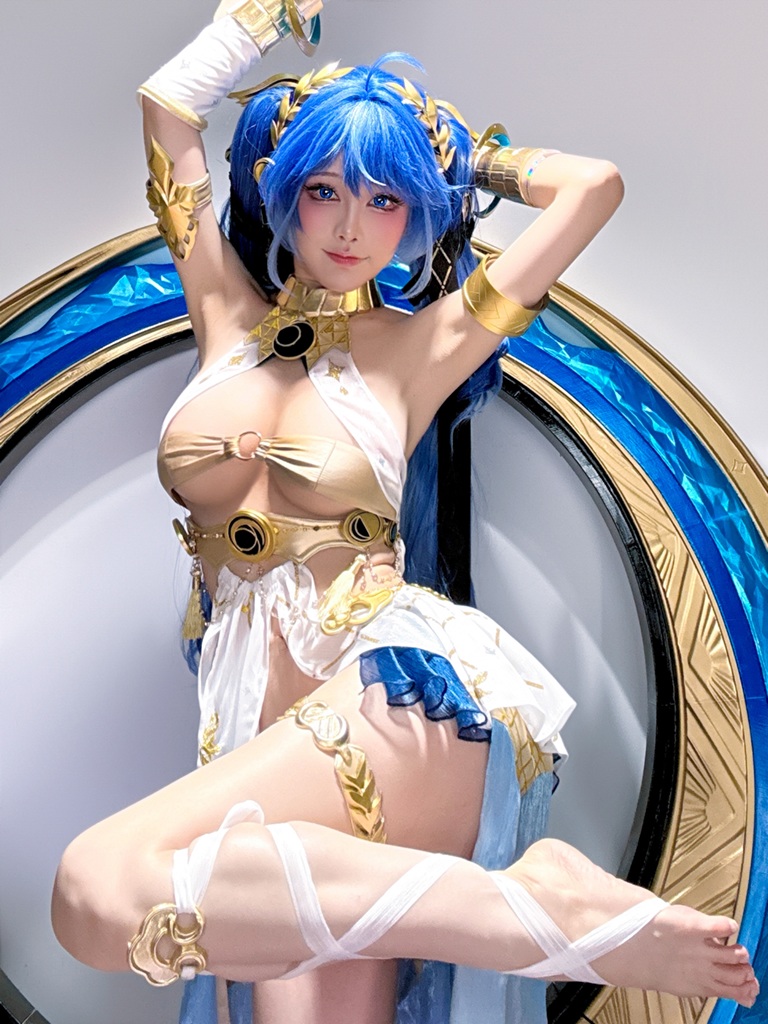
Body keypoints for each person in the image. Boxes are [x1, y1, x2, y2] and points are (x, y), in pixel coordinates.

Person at [51, 2, 758, 1022]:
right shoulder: (223, 316)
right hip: (262, 734)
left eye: (385, 198)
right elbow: (168, 110)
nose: (350, 225)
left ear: (415, 212)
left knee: (96, 889)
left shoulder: (421, 348)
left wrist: (465, 159)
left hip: (399, 699)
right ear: (283, 194)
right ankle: (529, 902)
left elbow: (591, 187)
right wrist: (255, 19)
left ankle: (539, 914)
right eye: (326, 190)